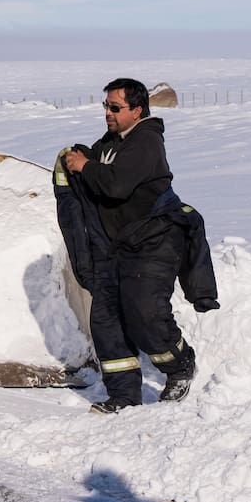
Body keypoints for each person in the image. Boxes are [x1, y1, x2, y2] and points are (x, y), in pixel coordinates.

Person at [58, 78, 218, 414]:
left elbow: (116, 184)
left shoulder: (146, 141)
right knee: (107, 319)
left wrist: (85, 166)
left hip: (155, 239)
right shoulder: (112, 142)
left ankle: (180, 365)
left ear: (137, 110)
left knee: (145, 311)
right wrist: (79, 158)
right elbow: (97, 163)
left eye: (115, 107)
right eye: (106, 106)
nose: (108, 113)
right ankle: (123, 395)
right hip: (118, 245)